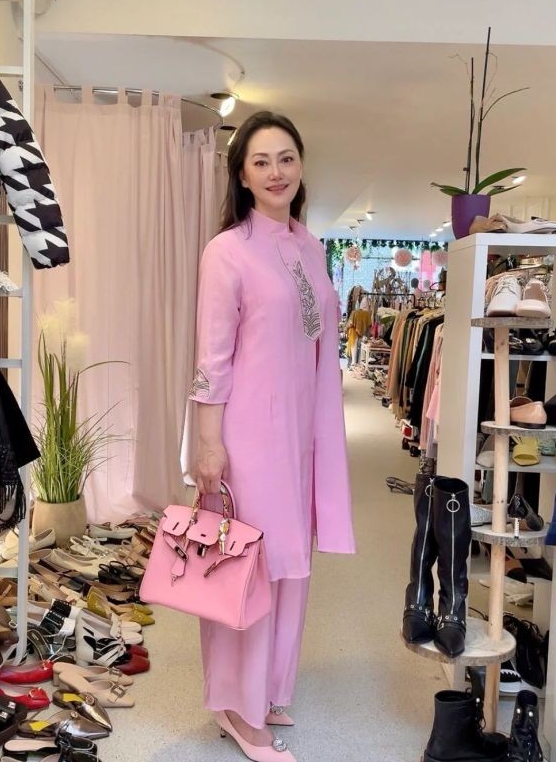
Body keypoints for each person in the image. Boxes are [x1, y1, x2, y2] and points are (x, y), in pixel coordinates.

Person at [189, 110, 355, 762]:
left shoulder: (309, 246)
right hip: (249, 433)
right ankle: (237, 706)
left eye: (286, 157)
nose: (275, 171)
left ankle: (268, 689)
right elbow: (211, 357)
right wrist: (208, 442)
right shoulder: (226, 251)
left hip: (300, 434)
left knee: (288, 563)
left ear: (301, 165)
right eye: (260, 161)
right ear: (241, 174)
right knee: (247, 566)